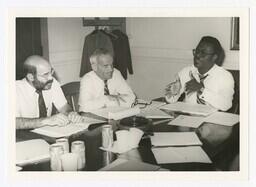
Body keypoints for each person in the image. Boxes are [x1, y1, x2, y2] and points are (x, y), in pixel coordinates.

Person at [165, 36, 234, 111]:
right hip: (187, 117)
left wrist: (201, 90)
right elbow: (170, 101)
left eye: (203, 53)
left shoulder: (224, 76)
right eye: (197, 51)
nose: (197, 55)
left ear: (214, 57)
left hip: (212, 119)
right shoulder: (186, 72)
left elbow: (226, 105)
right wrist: (173, 92)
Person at [16, 55, 82, 129]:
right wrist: (45, 121)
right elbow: (13, 122)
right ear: (31, 77)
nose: (51, 78)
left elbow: (64, 108)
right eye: (45, 75)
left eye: (51, 72)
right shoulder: (14, 90)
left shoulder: (52, 83)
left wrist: (71, 114)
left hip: (47, 133)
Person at [79, 48, 136, 112]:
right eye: (106, 66)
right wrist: (106, 98)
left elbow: (132, 97)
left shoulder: (116, 73)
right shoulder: (87, 79)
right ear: (94, 67)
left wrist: (107, 103)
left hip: (113, 116)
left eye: (112, 65)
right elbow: (85, 107)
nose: (111, 69)